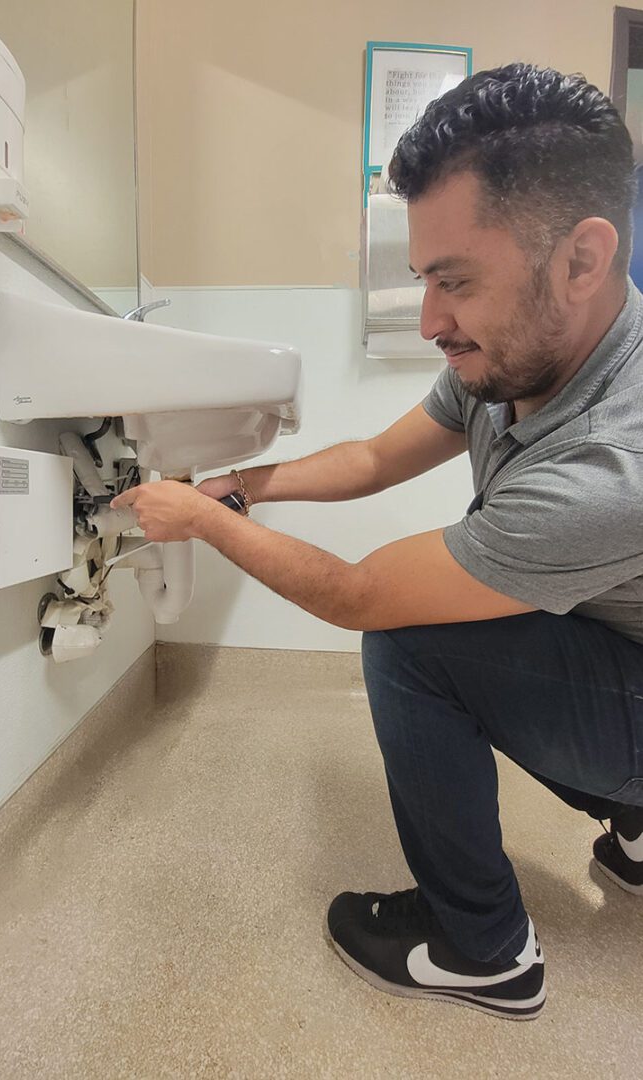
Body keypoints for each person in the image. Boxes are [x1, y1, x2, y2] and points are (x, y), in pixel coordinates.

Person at [111, 63, 643, 1021]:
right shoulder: (521, 356)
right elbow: (368, 458)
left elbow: (362, 595)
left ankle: (484, 952)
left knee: (413, 640)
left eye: (456, 282)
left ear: (582, 258)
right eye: (423, 281)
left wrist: (194, 520)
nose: (432, 321)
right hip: (623, 656)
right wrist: (235, 487)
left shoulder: (617, 462)